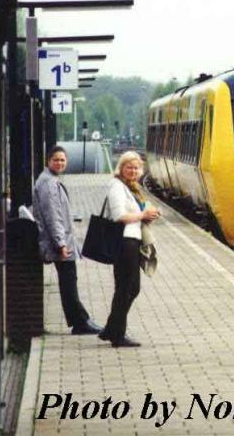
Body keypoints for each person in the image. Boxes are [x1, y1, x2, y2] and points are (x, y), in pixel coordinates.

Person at [33, 146, 102, 335]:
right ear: (48, 161)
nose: (60, 163)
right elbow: (52, 215)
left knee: (69, 280)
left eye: (63, 160)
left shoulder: (50, 180)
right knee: (69, 281)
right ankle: (80, 322)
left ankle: (80, 320)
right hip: (59, 243)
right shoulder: (48, 184)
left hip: (61, 241)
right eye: (56, 160)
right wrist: (61, 244)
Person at [99, 151, 159, 347]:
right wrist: (143, 215)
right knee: (127, 288)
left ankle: (112, 330)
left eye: (136, 168)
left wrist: (147, 215)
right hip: (124, 243)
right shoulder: (117, 187)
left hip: (132, 242)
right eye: (129, 167)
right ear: (121, 168)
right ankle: (116, 334)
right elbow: (119, 216)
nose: (133, 171)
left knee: (129, 288)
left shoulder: (130, 187)